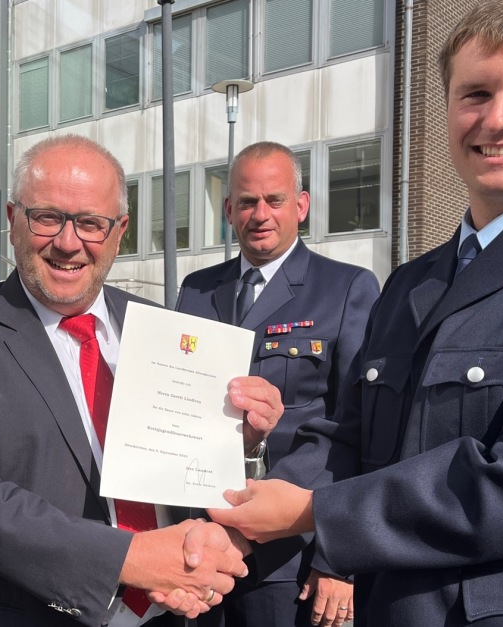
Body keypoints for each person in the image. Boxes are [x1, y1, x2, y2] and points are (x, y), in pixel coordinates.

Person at [204, 0, 503, 624]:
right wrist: (235, 515)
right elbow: (351, 438)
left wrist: (314, 514)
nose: (499, 118)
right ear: (448, 107)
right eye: (475, 93)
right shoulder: (408, 284)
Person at [0, 134, 283, 626]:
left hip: (171, 612)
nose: (68, 242)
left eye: (90, 223)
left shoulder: (161, 330)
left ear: (119, 231)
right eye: (47, 217)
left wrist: (239, 442)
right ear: (13, 220)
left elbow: (188, 476)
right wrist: (131, 558)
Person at [176, 142, 377, 627]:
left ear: (302, 206)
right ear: (228, 210)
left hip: (292, 555)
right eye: (246, 202)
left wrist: (339, 557)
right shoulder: (196, 290)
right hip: (204, 548)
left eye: (275, 200)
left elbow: (362, 429)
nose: (260, 214)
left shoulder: (348, 288)